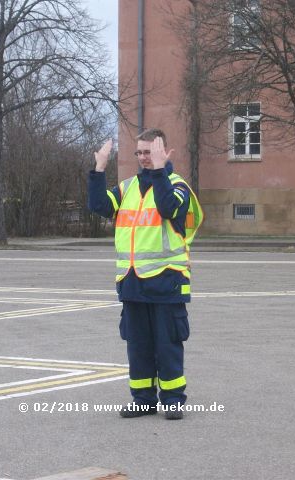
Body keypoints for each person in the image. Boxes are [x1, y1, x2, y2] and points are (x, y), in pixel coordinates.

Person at [88, 128, 203, 420]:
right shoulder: (127, 188)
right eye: (139, 152)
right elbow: (99, 206)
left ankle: (173, 400)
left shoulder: (177, 186)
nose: (143, 158)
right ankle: (143, 399)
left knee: (167, 344)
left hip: (166, 281)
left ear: (165, 153)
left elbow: (167, 209)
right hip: (132, 282)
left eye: (149, 152)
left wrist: (161, 171)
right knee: (138, 346)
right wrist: (99, 169)